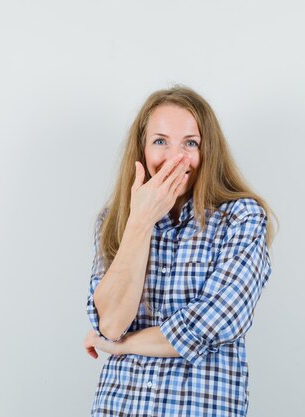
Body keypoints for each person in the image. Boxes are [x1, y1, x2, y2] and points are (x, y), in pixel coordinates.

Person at [83, 85, 278, 417]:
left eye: (190, 143)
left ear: (208, 151)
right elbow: (112, 322)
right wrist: (140, 222)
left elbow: (215, 321)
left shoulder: (241, 218)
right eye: (161, 141)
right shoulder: (116, 220)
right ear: (141, 151)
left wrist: (123, 345)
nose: (176, 158)